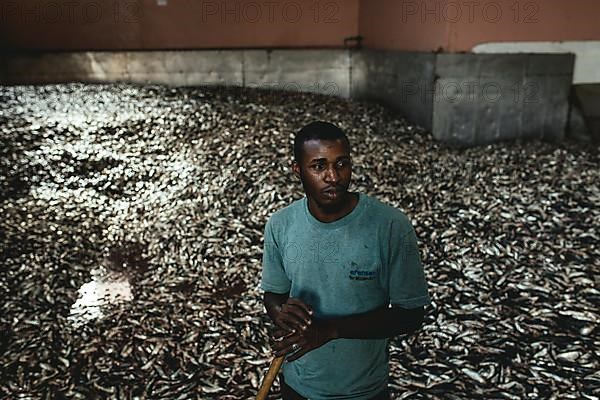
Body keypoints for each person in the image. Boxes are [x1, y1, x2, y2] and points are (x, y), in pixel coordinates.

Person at [261, 121, 431, 400]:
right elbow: (273, 294)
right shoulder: (280, 225)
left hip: (364, 391)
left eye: (341, 164)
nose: (333, 176)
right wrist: (281, 314)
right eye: (318, 166)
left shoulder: (390, 226)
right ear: (298, 171)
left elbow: (411, 314)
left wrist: (331, 330)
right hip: (297, 385)